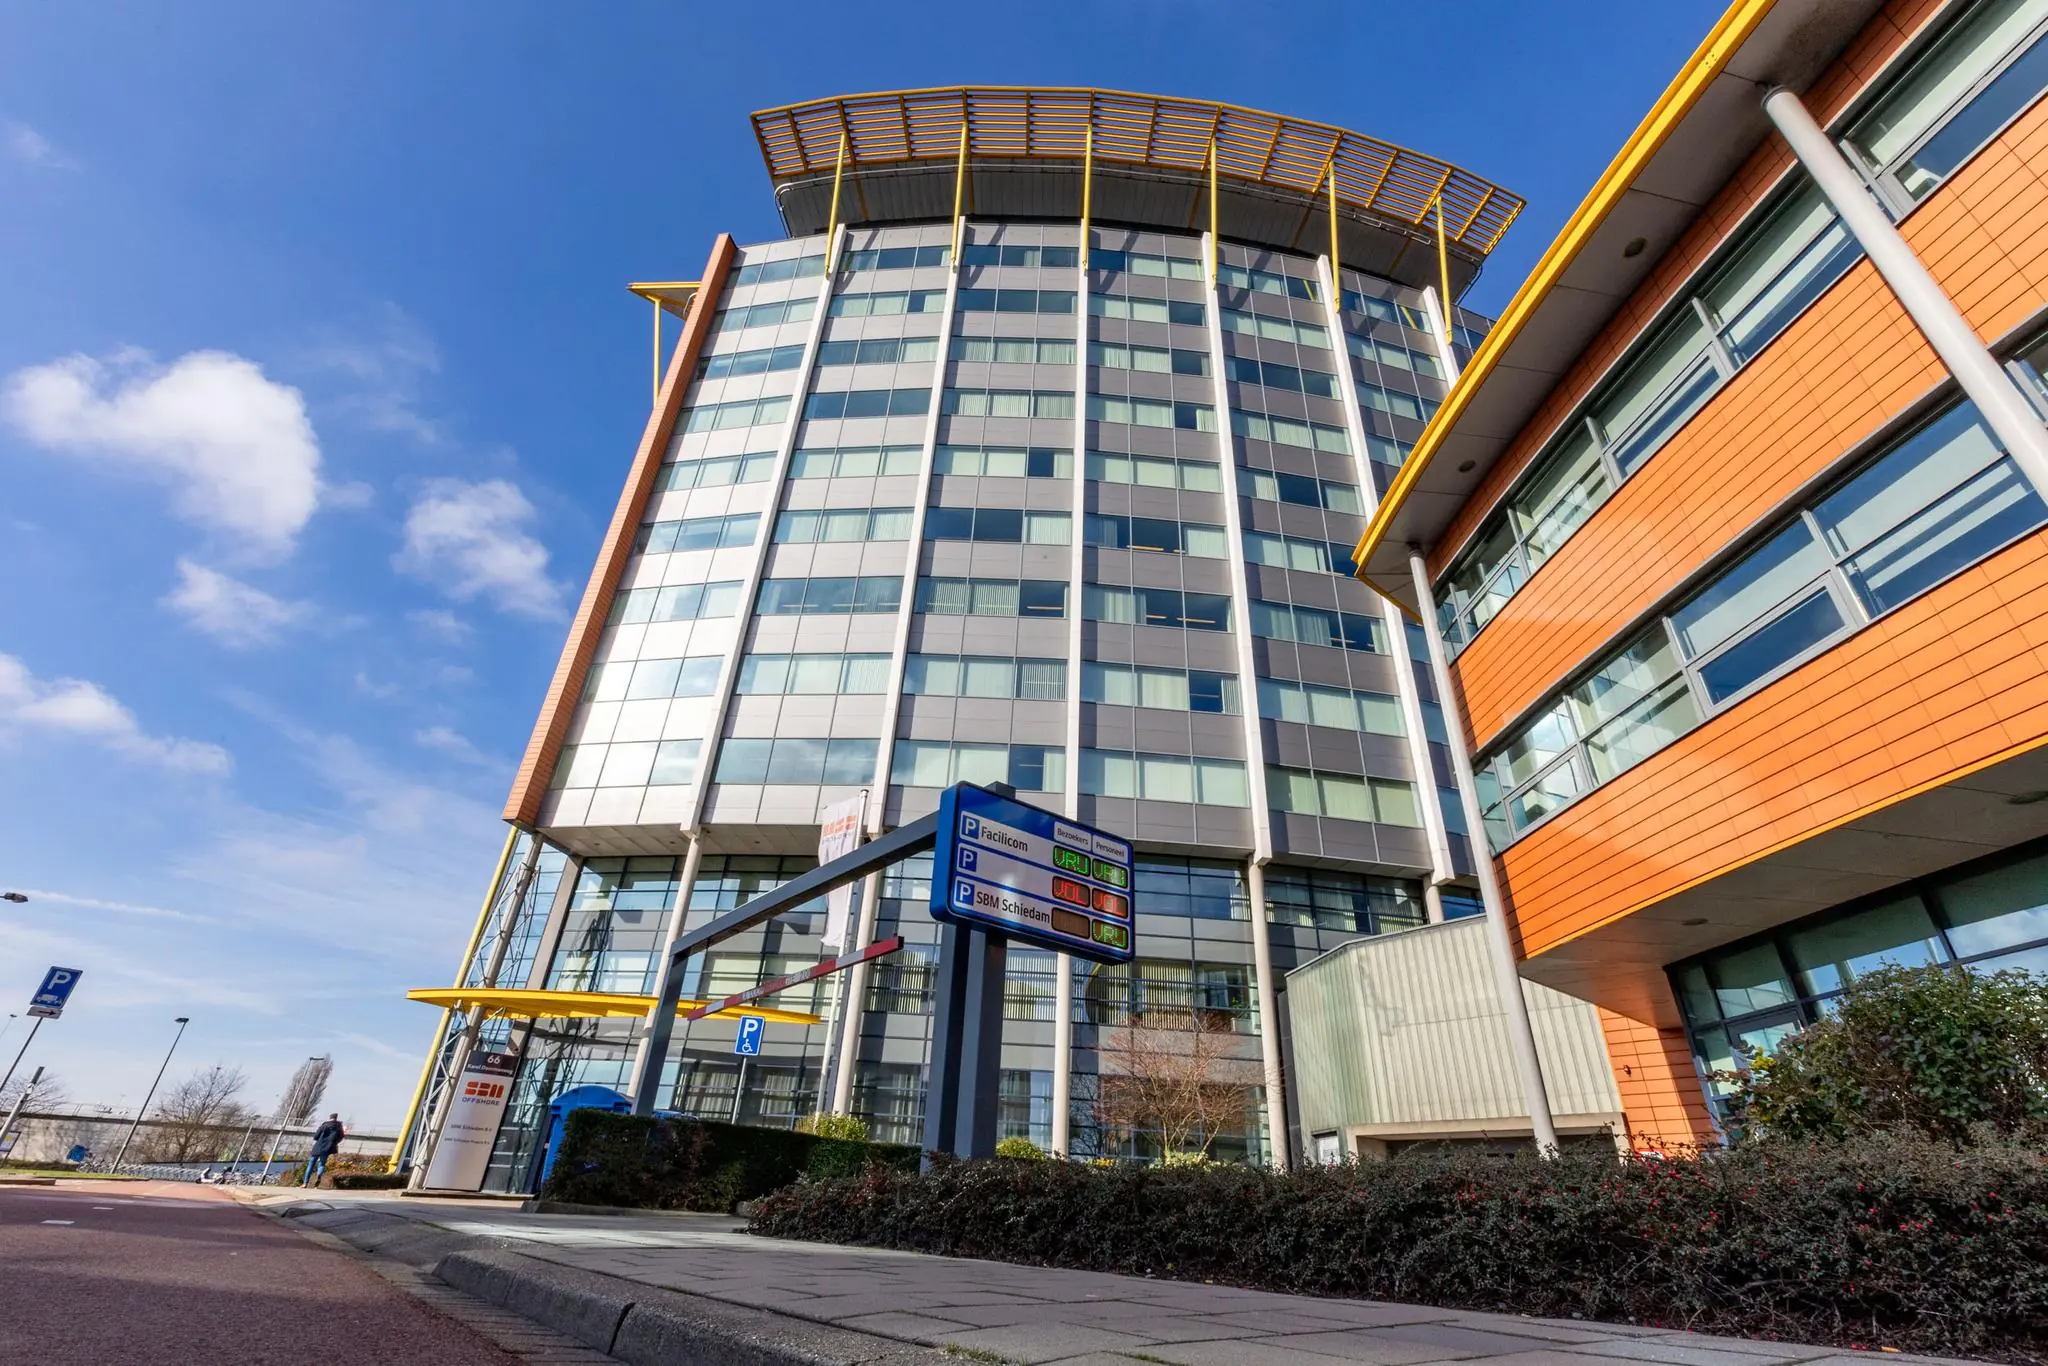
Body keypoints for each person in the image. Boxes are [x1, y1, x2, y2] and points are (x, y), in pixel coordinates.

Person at [305, 1113, 345, 1186]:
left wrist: (319, 1138)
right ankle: (319, 1175)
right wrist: (334, 1142)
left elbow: (316, 1136)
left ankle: (305, 1183)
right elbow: (341, 1137)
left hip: (318, 1147)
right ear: (336, 1118)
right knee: (321, 1165)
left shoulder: (324, 1125)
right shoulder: (339, 1127)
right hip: (327, 1148)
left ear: (330, 1118)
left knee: (311, 1165)